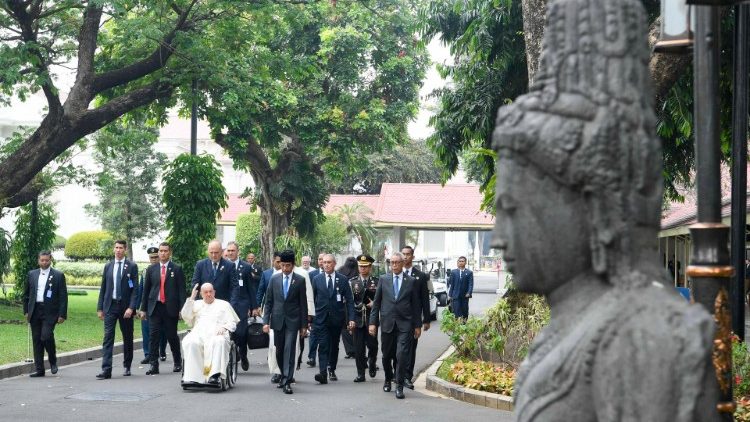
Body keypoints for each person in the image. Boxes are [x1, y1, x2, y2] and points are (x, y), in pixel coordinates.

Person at [491, 0, 719, 419]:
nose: (499, 237)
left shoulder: (645, 339)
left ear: (592, 204)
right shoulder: (568, 326)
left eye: (514, 210)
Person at [369, 252, 422, 399]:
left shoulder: (410, 281)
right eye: (391, 262)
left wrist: (417, 325)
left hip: (405, 325)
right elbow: (377, 303)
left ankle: (399, 386)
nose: (394, 265)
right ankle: (388, 378)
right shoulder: (383, 279)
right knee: (386, 356)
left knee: (401, 355)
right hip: (387, 324)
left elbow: (416, 305)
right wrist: (373, 323)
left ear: (402, 263)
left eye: (397, 262)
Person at [262, 250, 308, 394]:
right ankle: (283, 374)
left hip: (293, 321)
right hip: (277, 320)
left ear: (293, 265)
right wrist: (265, 321)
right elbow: (268, 302)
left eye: (288, 265)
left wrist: (304, 325)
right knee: (279, 351)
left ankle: (288, 380)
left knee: (289, 350)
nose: (285, 268)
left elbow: (303, 304)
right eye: (283, 265)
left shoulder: (300, 280)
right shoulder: (274, 279)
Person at [139, 242, 186, 375]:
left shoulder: (176, 269)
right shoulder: (151, 269)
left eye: (165, 251)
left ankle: (177, 361)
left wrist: (182, 309)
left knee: (171, 336)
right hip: (155, 307)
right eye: (161, 251)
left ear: (169, 253)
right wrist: (143, 309)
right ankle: (154, 365)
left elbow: (181, 291)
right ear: (158, 253)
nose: (163, 253)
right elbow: (146, 290)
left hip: (170, 308)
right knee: (154, 336)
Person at [181, 283, 240, 385]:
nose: (208, 294)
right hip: (199, 333)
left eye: (210, 291)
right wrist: (191, 298)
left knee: (219, 341)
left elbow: (232, 322)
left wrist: (224, 327)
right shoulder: (196, 304)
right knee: (190, 342)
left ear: (214, 292)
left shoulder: (224, 304)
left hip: (217, 334)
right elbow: (185, 316)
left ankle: (214, 375)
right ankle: (193, 377)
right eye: (205, 292)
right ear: (201, 294)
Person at [96, 240, 139, 379]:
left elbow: (135, 290)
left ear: (125, 249)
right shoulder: (108, 266)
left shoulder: (132, 266)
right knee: (108, 337)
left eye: (121, 248)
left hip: (125, 307)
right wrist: (100, 307)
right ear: (113, 249)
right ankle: (106, 369)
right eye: (116, 248)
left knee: (127, 337)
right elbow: (103, 288)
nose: (118, 250)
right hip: (110, 306)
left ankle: (127, 366)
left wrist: (131, 307)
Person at [312, 254, 355, 384]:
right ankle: (323, 372)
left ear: (334, 264)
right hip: (321, 318)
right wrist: (310, 319)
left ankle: (332, 368)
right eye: (324, 262)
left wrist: (351, 318)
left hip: (337, 318)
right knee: (323, 344)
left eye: (329, 262)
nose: (326, 264)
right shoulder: (317, 279)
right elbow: (312, 300)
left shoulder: (342, 279)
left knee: (334, 345)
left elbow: (349, 301)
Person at [23, 250, 67, 377]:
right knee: (37, 340)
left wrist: (62, 314)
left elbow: (63, 296)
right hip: (35, 310)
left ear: (50, 260)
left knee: (46, 336)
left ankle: (53, 360)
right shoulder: (32, 274)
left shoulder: (58, 275)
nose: (44, 262)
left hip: (50, 312)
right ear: (38, 260)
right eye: (42, 260)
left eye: (46, 260)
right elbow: (26, 294)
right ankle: (39, 369)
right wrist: (26, 310)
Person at [400, 245, 431, 390]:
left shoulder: (420, 276)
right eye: (403, 254)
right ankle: (397, 374)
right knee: (397, 348)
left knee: (411, 348)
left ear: (412, 256)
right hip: (397, 318)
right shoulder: (395, 274)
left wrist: (426, 320)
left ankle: (407, 376)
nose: (405, 257)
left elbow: (424, 298)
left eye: (408, 254)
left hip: (413, 319)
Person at [225, 241, 258, 371]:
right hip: (227, 304)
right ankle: (234, 354)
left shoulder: (245, 267)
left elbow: (251, 288)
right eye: (228, 250)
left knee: (241, 332)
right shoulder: (224, 266)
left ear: (238, 252)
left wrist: (254, 306)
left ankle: (243, 354)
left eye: (233, 250)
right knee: (229, 332)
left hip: (242, 304)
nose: (230, 253)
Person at [349, 254, 378, 381]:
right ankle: (361, 373)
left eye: (365, 267)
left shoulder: (377, 282)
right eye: (361, 266)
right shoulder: (352, 282)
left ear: (370, 267)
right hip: (358, 319)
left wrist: (375, 304)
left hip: (371, 319)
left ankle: (372, 362)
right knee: (359, 348)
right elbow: (349, 303)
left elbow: (382, 299)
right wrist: (349, 320)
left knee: (372, 345)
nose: (363, 269)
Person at [136, 247, 166, 365]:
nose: (153, 260)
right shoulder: (145, 271)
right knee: (146, 329)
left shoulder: (164, 270)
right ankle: (148, 354)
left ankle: (161, 350)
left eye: (155, 257)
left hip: (160, 304)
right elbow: (141, 290)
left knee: (162, 330)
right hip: (148, 305)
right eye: (151, 258)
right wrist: (138, 307)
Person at [306, 252, 326, 368]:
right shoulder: (312, 274)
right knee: (313, 334)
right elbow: (309, 294)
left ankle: (325, 359)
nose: (321, 262)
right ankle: (311, 357)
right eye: (319, 259)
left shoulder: (335, 275)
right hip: (315, 310)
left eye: (324, 259)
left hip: (327, 312)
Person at [337, 256, 359, 359]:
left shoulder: (341, 270)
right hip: (353, 302)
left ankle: (351, 350)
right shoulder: (357, 271)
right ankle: (354, 349)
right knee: (350, 326)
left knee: (346, 327)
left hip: (345, 302)